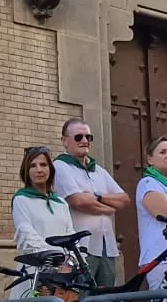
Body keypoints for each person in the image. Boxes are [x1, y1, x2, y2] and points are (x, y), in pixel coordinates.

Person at [50, 118, 129, 288]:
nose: (85, 141)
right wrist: (109, 208)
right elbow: (78, 201)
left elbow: (124, 199)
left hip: (106, 245)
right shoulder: (60, 166)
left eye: (88, 137)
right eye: (78, 137)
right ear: (64, 141)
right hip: (82, 247)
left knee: (106, 297)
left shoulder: (98, 170)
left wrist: (97, 197)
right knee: (82, 295)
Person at [10, 146, 75, 302]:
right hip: (36, 270)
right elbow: (26, 233)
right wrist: (53, 260)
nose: (39, 170)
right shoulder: (21, 199)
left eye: (43, 165)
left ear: (50, 169)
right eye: (33, 166)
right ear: (26, 171)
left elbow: (70, 235)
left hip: (62, 273)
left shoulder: (60, 203)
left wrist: (69, 262)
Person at [134, 136, 167, 290]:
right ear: (150, 159)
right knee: (166, 301)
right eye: (162, 152)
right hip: (162, 256)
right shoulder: (148, 183)